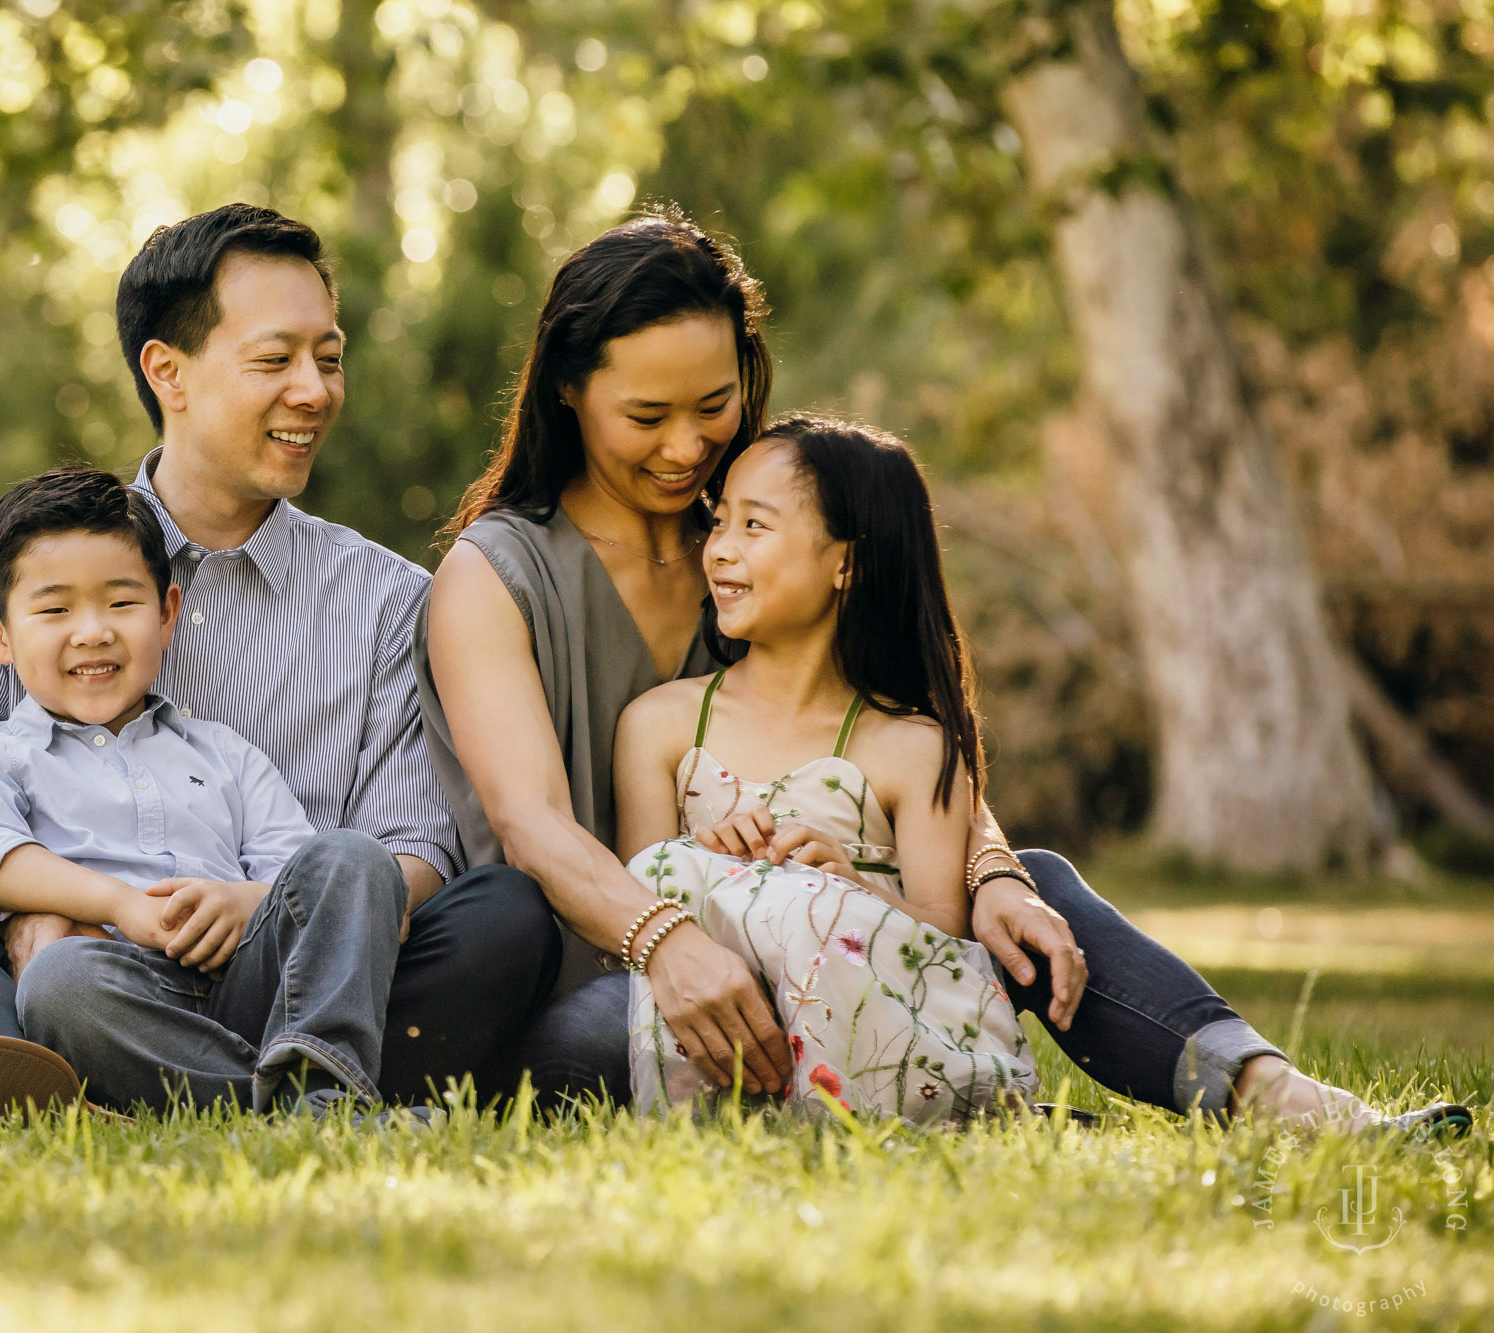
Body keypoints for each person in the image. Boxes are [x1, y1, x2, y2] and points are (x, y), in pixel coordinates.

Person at [418, 205, 1458, 1132]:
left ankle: (1260, 1090)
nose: (688, 446)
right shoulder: (495, 575)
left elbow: (897, 729)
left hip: (796, 942)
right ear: (566, 390)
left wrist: (989, 873)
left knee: (1034, 886)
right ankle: (987, 1107)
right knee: (615, 1032)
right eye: (646, 418)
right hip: (608, 988)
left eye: (714, 405)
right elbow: (532, 828)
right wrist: (668, 944)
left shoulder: (753, 545)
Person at [0, 204, 560, 1115]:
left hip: (300, 971)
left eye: (329, 358)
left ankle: (169, 1079)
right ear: (167, 371)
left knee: (502, 915)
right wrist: (40, 908)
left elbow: (412, 845)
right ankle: (62, 1066)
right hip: (69, 960)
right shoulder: (14, 558)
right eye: (275, 359)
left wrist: (260, 902)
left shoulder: (388, 600)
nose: (315, 390)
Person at [0, 463, 405, 1115]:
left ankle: (319, 1078)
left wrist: (243, 901)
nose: (92, 630)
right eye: (56, 608)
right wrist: (120, 905)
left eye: (121, 603)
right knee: (57, 980)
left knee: (355, 855)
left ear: (167, 612)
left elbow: (300, 877)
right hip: (119, 984)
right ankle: (304, 1103)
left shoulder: (223, 752)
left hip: (246, 980)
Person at [616, 415, 1035, 1123]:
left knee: (808, 904)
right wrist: (706, 856)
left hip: (876, 1037)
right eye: (720, 522)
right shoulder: (660, 726)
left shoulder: (913, 747)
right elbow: (638, 911)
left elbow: (945, 945)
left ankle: (835, 1117)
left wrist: (844, 885)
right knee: (668, 867)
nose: (719, 548)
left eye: (755, 526)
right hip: (715, 1029)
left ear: (847, 562)